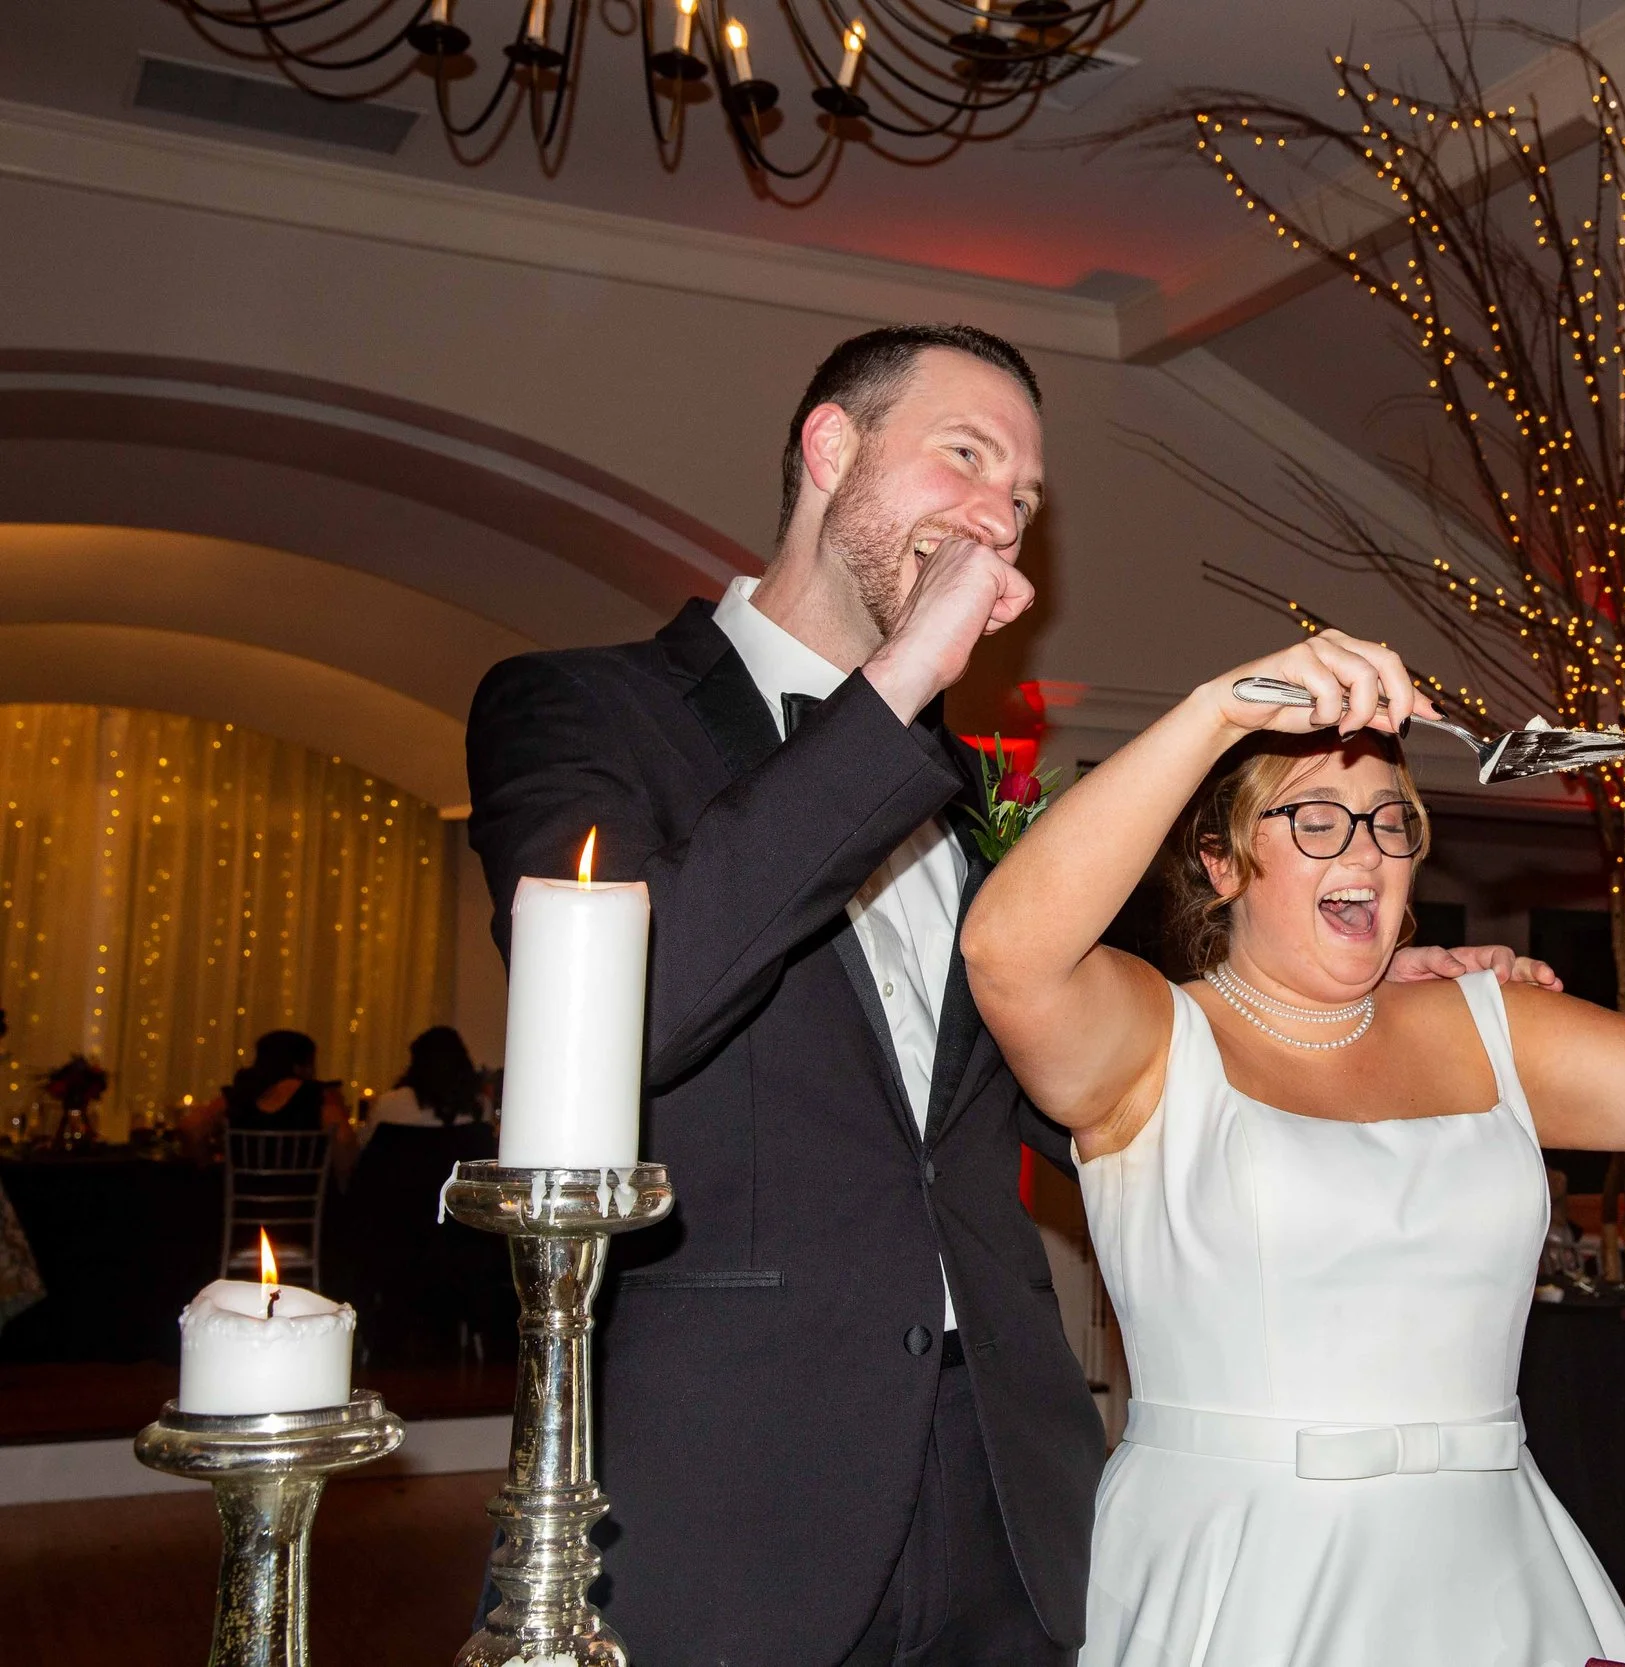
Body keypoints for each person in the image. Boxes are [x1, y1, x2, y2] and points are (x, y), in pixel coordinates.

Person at [465, 323, 1541, 1665]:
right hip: (739, 1487)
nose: (998, 514)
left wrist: (1327, 1004)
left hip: (1009, 1485)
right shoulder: (580, 709)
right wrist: (904, 673)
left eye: (1023, 499)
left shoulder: (963, 795)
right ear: (829, 448)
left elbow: (1089, 1075)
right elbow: (646, 1002)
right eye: (965, 457)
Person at [959, 631, 1625, 1666]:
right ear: (1221, 860)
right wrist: (1221, 704)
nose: (1362, 849)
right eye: (1315, 818)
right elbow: (1006, 952)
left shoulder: (1493, 1022)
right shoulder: (1149, 1041)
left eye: (1390, 822)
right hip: (1241, 1568)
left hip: (1493, 1569)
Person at [341, 1028, 501, 1366]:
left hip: (396, 1235)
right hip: (460, 1237)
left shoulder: (389, 1105)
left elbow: (364, 1169)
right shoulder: (478, 1109)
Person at [182, 1030, 351, 1149]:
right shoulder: (319, 1095)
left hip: (243, 1191)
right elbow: (344, 1141)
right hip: (302, 1192)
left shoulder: (241, 1093)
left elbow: (191, 1127)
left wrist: (206, 1168)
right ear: (300, 1066)